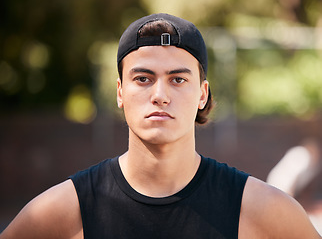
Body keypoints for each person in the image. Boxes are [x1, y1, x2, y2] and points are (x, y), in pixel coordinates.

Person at [0, 13, 320, 239]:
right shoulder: (62, 212)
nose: (160, 95)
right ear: (120, 92)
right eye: (143, 78)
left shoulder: (263, 211)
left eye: (178, 79)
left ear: (202, 94)